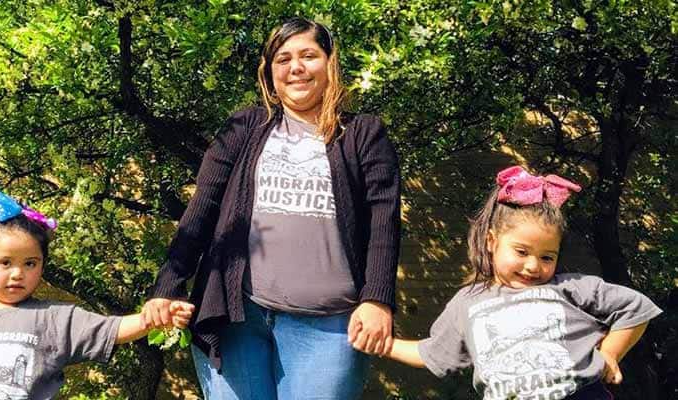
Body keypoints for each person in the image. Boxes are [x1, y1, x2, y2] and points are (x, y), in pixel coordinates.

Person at [140, 17, 401, 400]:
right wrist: (168, 284)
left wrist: (377, 298)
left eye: (309, 55)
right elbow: (203, 206)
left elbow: (384, 222)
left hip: (329, 328)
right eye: (284, 58)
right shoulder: (246, 126)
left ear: (330, 64)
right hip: (239, 318)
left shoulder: (363, 134)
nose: (296, 67)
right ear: (270, 72)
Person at [386, 166, 663, 400]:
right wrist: (383, 344)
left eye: (547, 256)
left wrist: (611, 353)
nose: (533, 266)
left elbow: (636, 308)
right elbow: (433, 352)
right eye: (521, 252)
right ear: (492, 242)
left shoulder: (570, 288)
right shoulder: (468, 302)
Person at [0, 192, 194, 400]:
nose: (18, 273)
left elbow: (112, 329)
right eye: (5, 262)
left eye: (30, 263)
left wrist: (153, 318)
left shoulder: (54, 318)